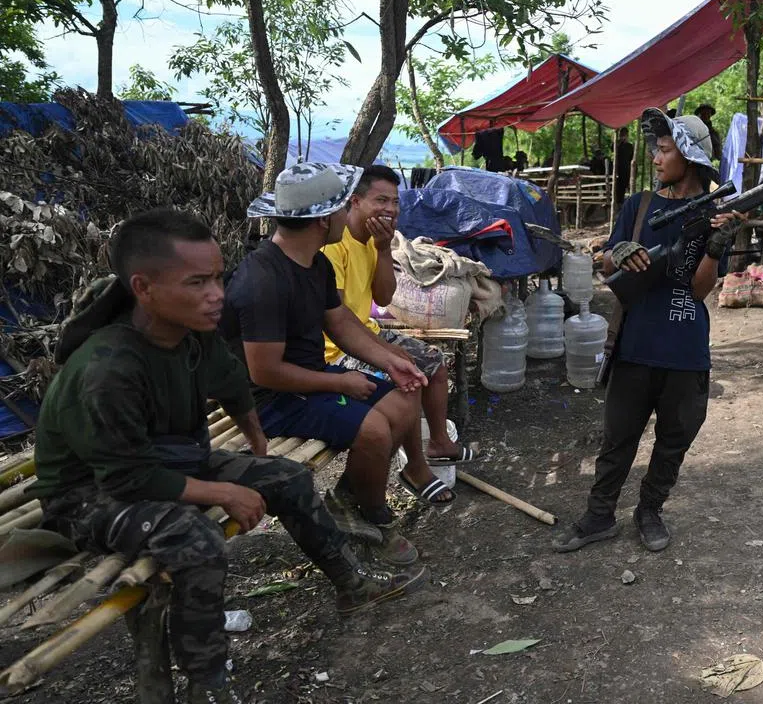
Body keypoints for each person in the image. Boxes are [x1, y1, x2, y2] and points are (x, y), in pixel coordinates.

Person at [32, 209, 425, 704]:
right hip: (90, 492)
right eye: (197, 282)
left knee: (287, 476)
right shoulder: (107, 368)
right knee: (196, 540)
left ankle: (351, 584)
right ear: (144, 288)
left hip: (169, 462)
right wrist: (221, 491)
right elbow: (126, 478)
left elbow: (232, 383)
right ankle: (207, 683)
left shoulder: (192, 333)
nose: (217, 294)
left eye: (218, 277)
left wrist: (256, 442)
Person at [552, 108, 741, 554]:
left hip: (685, 349)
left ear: (689, 158)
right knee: (617, 439)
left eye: (665, 149)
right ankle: (599, 516)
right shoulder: (638, 206)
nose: (656, 158)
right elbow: (607, 264)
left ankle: (650, 510)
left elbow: (697, 291)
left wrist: (715, 249)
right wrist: (621, 250)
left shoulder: (716, 215)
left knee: (673, 441)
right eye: (656, 149)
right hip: (635, 345)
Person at [222, 163, 429, 553]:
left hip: (308, 379)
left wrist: (388, 360)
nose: (344, 216)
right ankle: (373, 515)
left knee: (404, 400)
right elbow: (264, 372)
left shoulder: (313, 263)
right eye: (339, 209)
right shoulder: (262, 280)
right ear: (322, 220)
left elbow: (340, 323)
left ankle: (347, 501)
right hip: (269, 401)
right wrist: (339, 381)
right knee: (374, 430)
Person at [321, 165, 480, 508]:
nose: (390, 209)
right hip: (334, 348)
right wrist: (386, 353)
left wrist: (382, 250)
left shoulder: (372, 240)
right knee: (408, 378)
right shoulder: (335, 245)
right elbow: (338, 318)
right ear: (356, 201)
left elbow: (383, 298)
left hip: (367, 330)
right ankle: (415, 470)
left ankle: (439, 443)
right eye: (381, 200)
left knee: (434, 363)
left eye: (395, 202)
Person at [615, 127, 634, 203]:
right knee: (619, 187)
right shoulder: (617, 144)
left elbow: (631, 158)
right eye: (622, 135)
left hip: (627, 169)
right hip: (618, 169)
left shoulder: (630, 146)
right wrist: (620, 142)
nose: (623, 136)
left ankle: (628, 202)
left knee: (627, 185)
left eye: (625, 135)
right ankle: (619, 202)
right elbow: (612, 148)